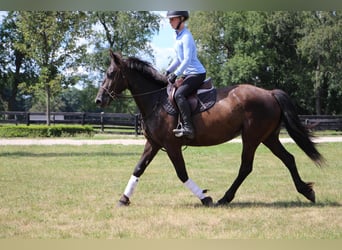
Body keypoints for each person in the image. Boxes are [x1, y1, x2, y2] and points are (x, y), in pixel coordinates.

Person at [165, 11, 206, 139]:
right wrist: (167, 71)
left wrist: (176, 74)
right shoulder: (178, 37)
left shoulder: (186, 36)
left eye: (172, 19)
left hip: (197, 73)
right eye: (169, 20)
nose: (170, 22)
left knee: (179, 94)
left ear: (181, 19)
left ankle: (189, 127)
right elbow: (178, 59)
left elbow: (187, 60)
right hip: (188, 74)